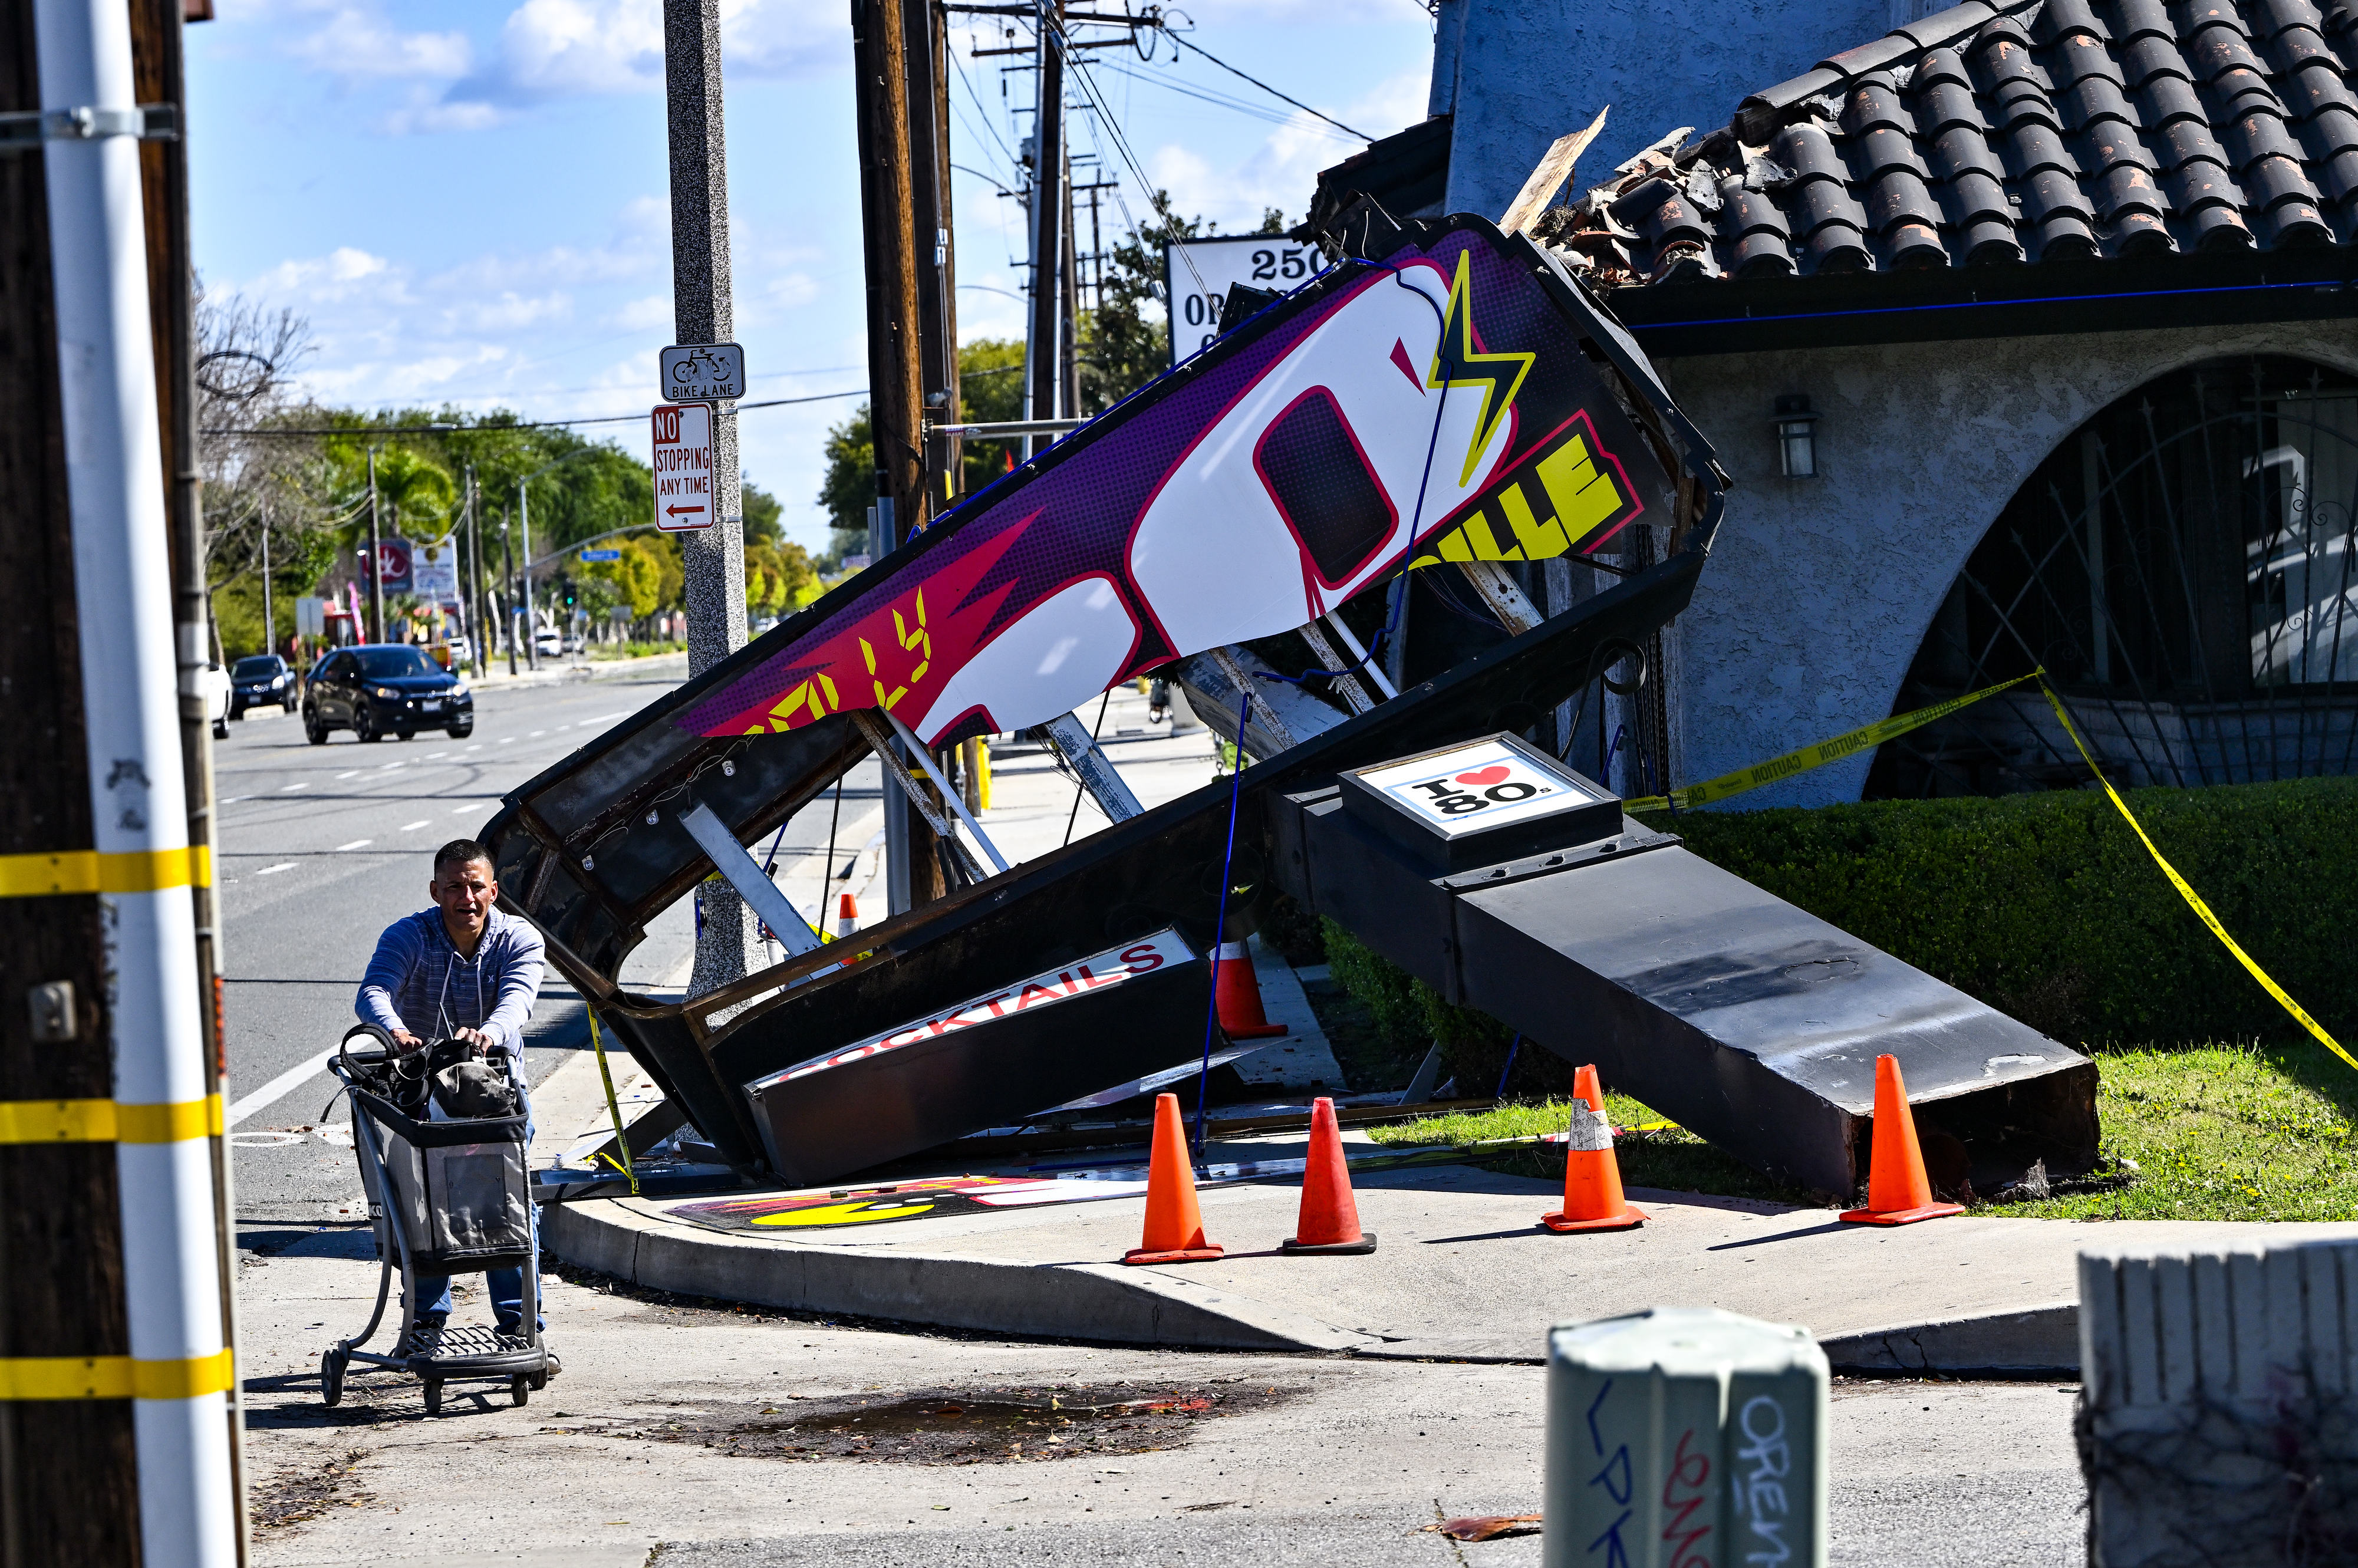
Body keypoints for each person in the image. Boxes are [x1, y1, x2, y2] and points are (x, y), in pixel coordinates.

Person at [356, 839, 547, 1346]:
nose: (467, 897)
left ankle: (521, 1324)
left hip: (495, 1093)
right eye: (455, 887)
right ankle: (425, 1322)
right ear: (436, 891)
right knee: (420, 1203)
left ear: (493, 891)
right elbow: (373, 992)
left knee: (509, 1201)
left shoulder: (519, 938)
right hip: (421, 1094)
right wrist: (397, 1033)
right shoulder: (410, 936)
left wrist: (488, 1033)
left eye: (476, 886)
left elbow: (519, 1000)